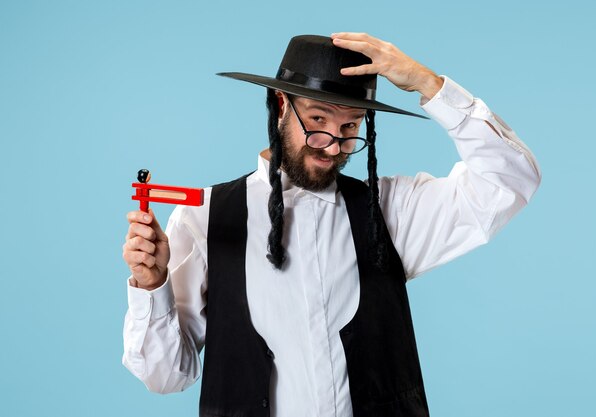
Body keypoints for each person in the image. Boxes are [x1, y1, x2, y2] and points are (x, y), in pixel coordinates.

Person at [122, 33, 541, 417]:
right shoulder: (204, 217)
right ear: (282, 104)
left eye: (350, 128)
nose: (333, 146)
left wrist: (428, 85)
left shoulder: (391, 211)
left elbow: (509, 181)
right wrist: (151, 285)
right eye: (318, 121)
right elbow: (166, 377)